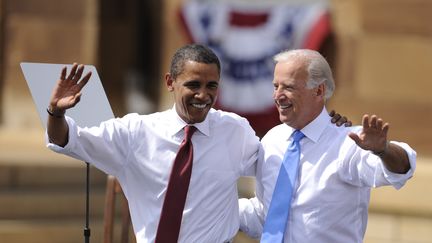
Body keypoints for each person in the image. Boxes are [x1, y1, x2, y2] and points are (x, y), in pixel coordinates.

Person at [46, 44, 262, 243]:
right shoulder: (134, 133)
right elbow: (67, 140)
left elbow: (273, 169)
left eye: (211, 86)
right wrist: (56, 113)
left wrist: (247, 213)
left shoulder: (235, 130)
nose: (203, 95)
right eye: (193, 85)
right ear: (170, 82)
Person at [239, 49, 416, 243]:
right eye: (276, 86)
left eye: (288, 87)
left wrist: (383, 150)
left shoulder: (350, 142)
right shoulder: (272, 140)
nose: (277, 96)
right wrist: (212, 206)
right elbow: (266, 214)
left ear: (319, 90)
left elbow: (402, 169)